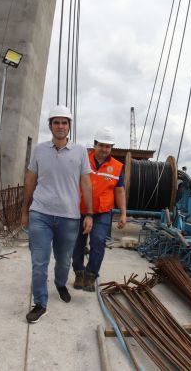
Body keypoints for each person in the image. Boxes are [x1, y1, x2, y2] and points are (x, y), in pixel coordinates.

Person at [21, 105, 94, 324]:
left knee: (63, 261)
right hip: (40, 214)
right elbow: (30, 180)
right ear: (50, 125)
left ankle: (60, 283)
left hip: (68, 217)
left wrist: (89, 213)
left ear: (69, 126)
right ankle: (41, 303)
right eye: (56, 122)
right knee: (39, 261)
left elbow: (86, 183)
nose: (60, 126)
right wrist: (25, 210)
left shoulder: (80, 151)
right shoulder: (40, 150)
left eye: (64, 122)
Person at [71, 127, 127, 291]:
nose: (104, 149)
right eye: (101, 145)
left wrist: (123, 213)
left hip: (102, 212)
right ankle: (79, 273)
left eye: (108, 146)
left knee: (98, 241)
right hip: (80, 210)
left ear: (111, 148)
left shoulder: (117, 167)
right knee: (77, 243)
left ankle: (90, 275)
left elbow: (119, 190)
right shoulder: (82, 159)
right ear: (95, 144)